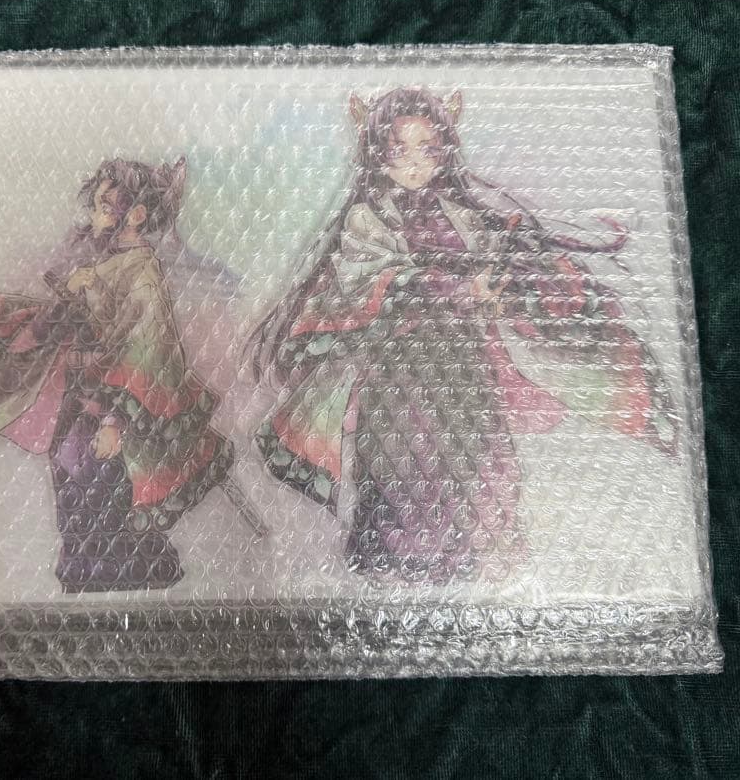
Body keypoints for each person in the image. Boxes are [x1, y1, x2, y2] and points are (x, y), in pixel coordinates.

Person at [248, 87, 678, 584]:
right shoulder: (369, 219)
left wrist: (512, 278)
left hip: (463, 363)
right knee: (404, 460)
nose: (414, 163)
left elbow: (494, 263)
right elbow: (379, 281)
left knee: (473, 457)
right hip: (402, 366)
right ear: (377, 154)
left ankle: (465, 555)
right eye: (399, 150)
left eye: (427, 149)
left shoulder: (463, 214)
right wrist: (458, 287)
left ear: (444, 151)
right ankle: (398, 558)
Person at [0, 158, 232, 592]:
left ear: (136, 215)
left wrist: (115, 422)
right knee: (70, 484)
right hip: (76, 401)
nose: (95, 217)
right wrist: (65, 303)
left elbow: (148, 349)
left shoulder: (142, 271)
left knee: (100, 489)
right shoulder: (101, 264)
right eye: (96, 206)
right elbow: (61, 326)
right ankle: (82, 571)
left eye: (105, 207)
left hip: (111, 410)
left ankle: (111, 574)